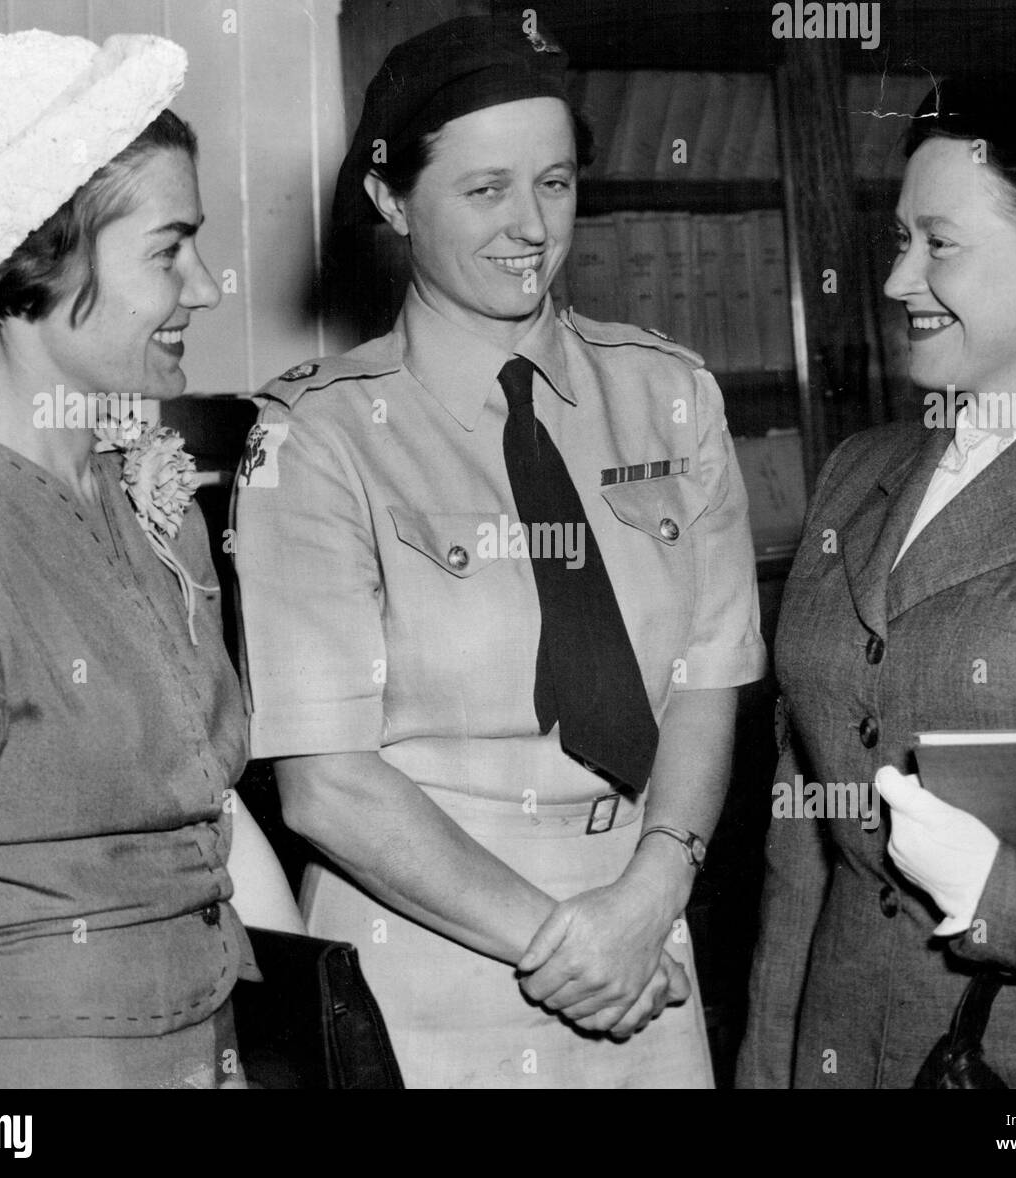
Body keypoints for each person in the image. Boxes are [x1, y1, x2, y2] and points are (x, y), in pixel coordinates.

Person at [233, 14, 764, 1089]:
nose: (529, 226)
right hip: (432, 963)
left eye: (556, 184)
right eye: (483, 191)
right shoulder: (318, 435)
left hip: (646, 935)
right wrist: (566, 945)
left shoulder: (670, 396)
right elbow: (324, 783)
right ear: (390, 201)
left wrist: (648, 895)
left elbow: (709, 681)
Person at [739, 73, 1016, 1089]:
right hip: (844, 1038)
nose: (895, 280)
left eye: (936, 244)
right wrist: (770, 1055)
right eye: (898, 241)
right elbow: (803, 818)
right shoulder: (856, 471)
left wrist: (1007, 894)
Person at [0, 29, 301, 1090]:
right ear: (41, 256)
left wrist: (311, 1031)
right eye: (169, 250)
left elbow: (209, 803)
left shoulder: (144, 487)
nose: (205, 285)